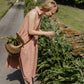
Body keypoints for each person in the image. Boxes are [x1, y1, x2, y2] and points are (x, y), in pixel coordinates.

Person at [5, 0, 58, 84]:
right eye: (52, 13)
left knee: (29, 66)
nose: (52, 15)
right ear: (47, 9)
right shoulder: (33, 14)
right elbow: (31, 31)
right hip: (26, 43)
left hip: (31, 43)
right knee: (27, 68)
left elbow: (35, 29)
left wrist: (46, 33)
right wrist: (45, 33)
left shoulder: (39, 14)